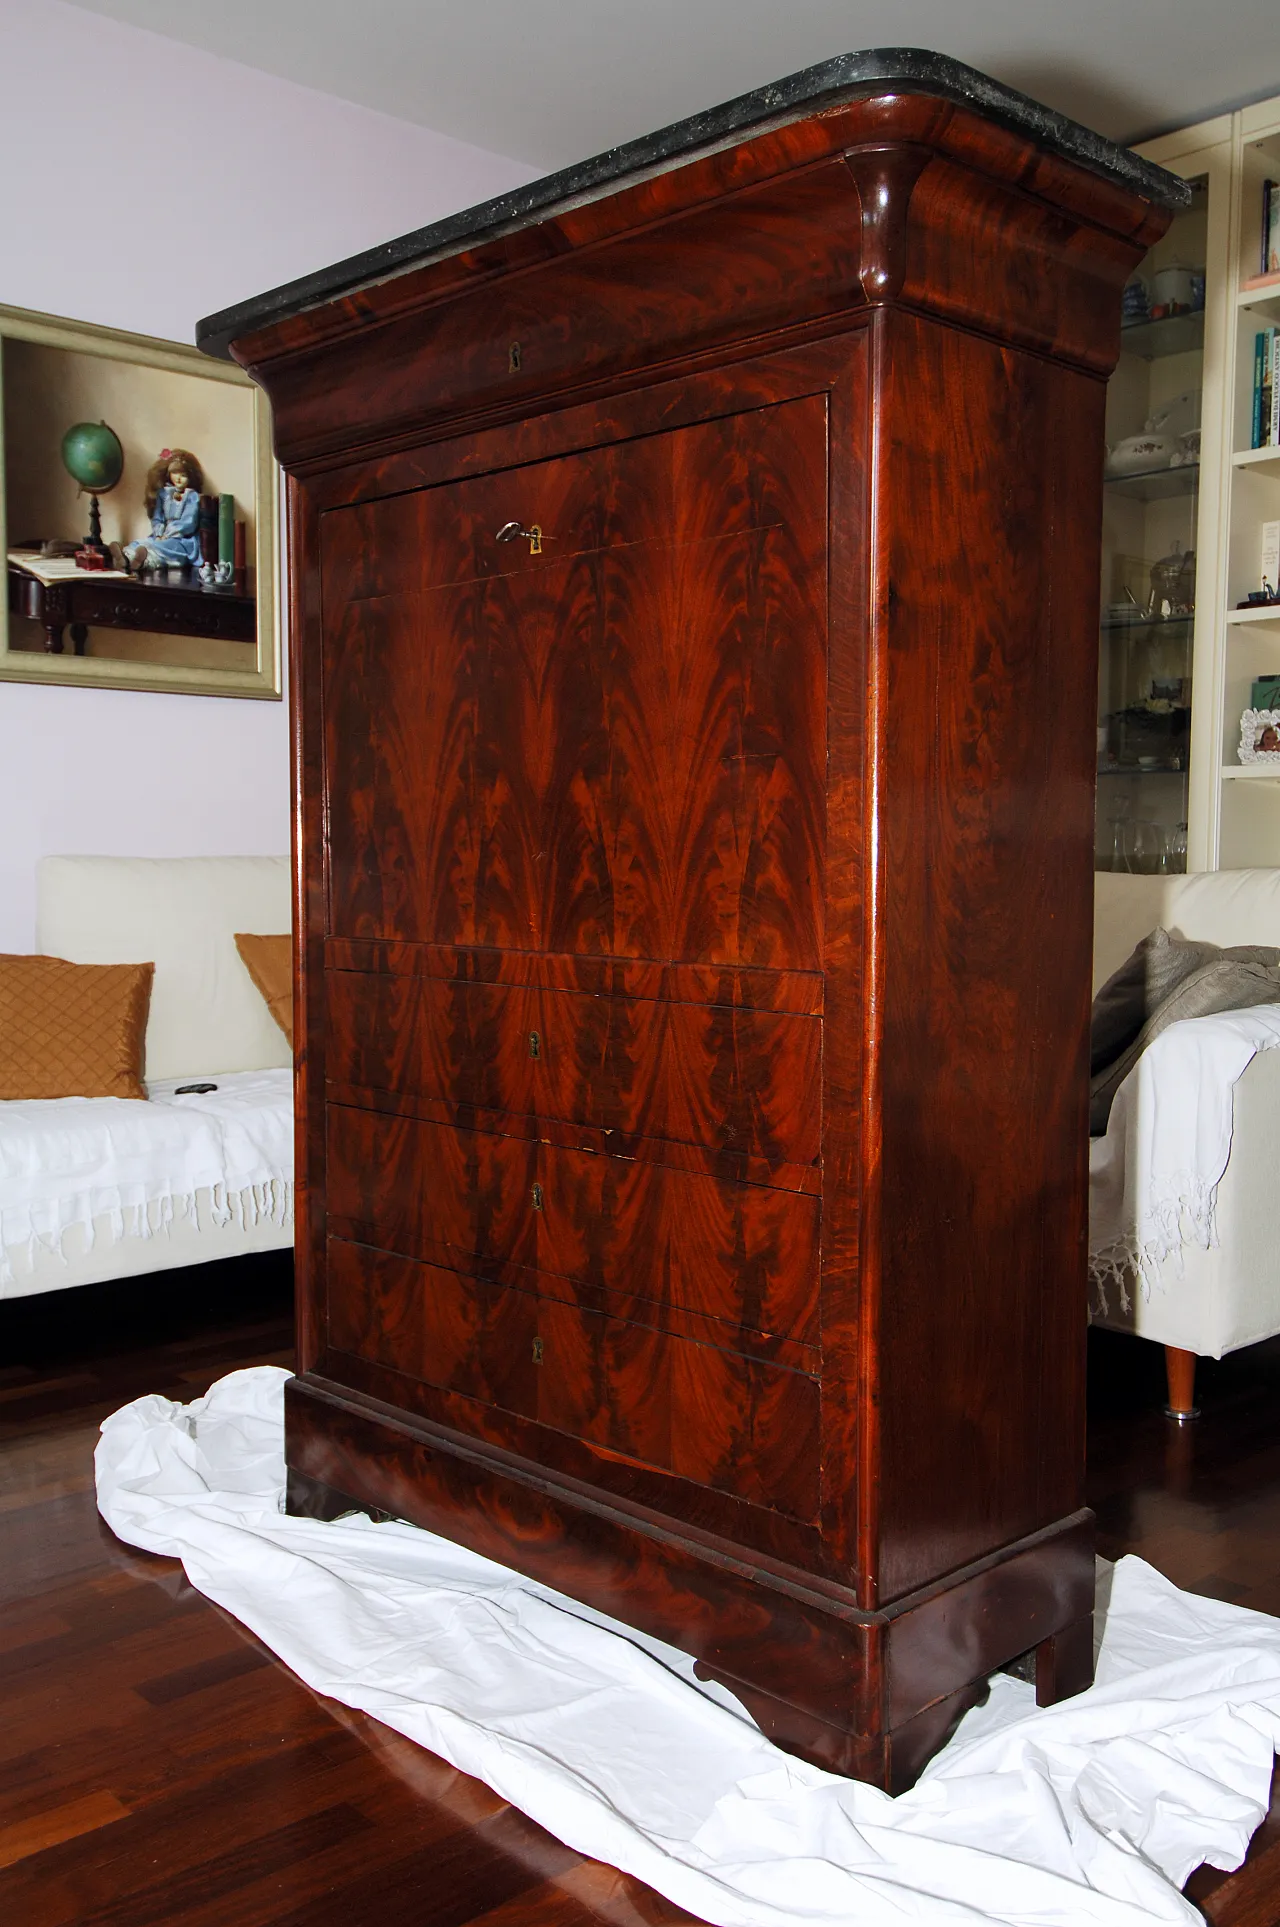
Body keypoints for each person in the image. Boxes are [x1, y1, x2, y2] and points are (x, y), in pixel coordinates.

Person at [124, 449, 204, 573]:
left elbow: (189, 522)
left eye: (183, 475)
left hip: (181, 539)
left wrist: (168, 534)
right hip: (161, 536)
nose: (178, 479)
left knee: (162, 547)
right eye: (175, 473)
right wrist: (159, 533)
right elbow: (158, 517)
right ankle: (127, 559)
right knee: (141, 543)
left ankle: (143, 561)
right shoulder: (163, 493)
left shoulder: (192, 496)